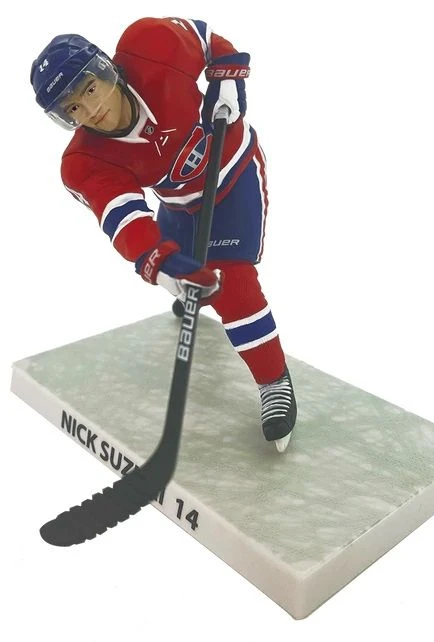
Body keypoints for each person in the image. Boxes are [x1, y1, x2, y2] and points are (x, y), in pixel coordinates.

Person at [30, 16, 297, 452]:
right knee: (185, 269)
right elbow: (128, 221)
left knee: (231, 285)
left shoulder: (150, 43)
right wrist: (161, 265)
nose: (90, 112)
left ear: (106, 69)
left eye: (89, 90)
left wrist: (227, 76)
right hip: (178, 203)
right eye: (72, 109)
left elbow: (209, 41)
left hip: (232, 177)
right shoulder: (83, 163)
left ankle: (274, 381)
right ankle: (192, 291)